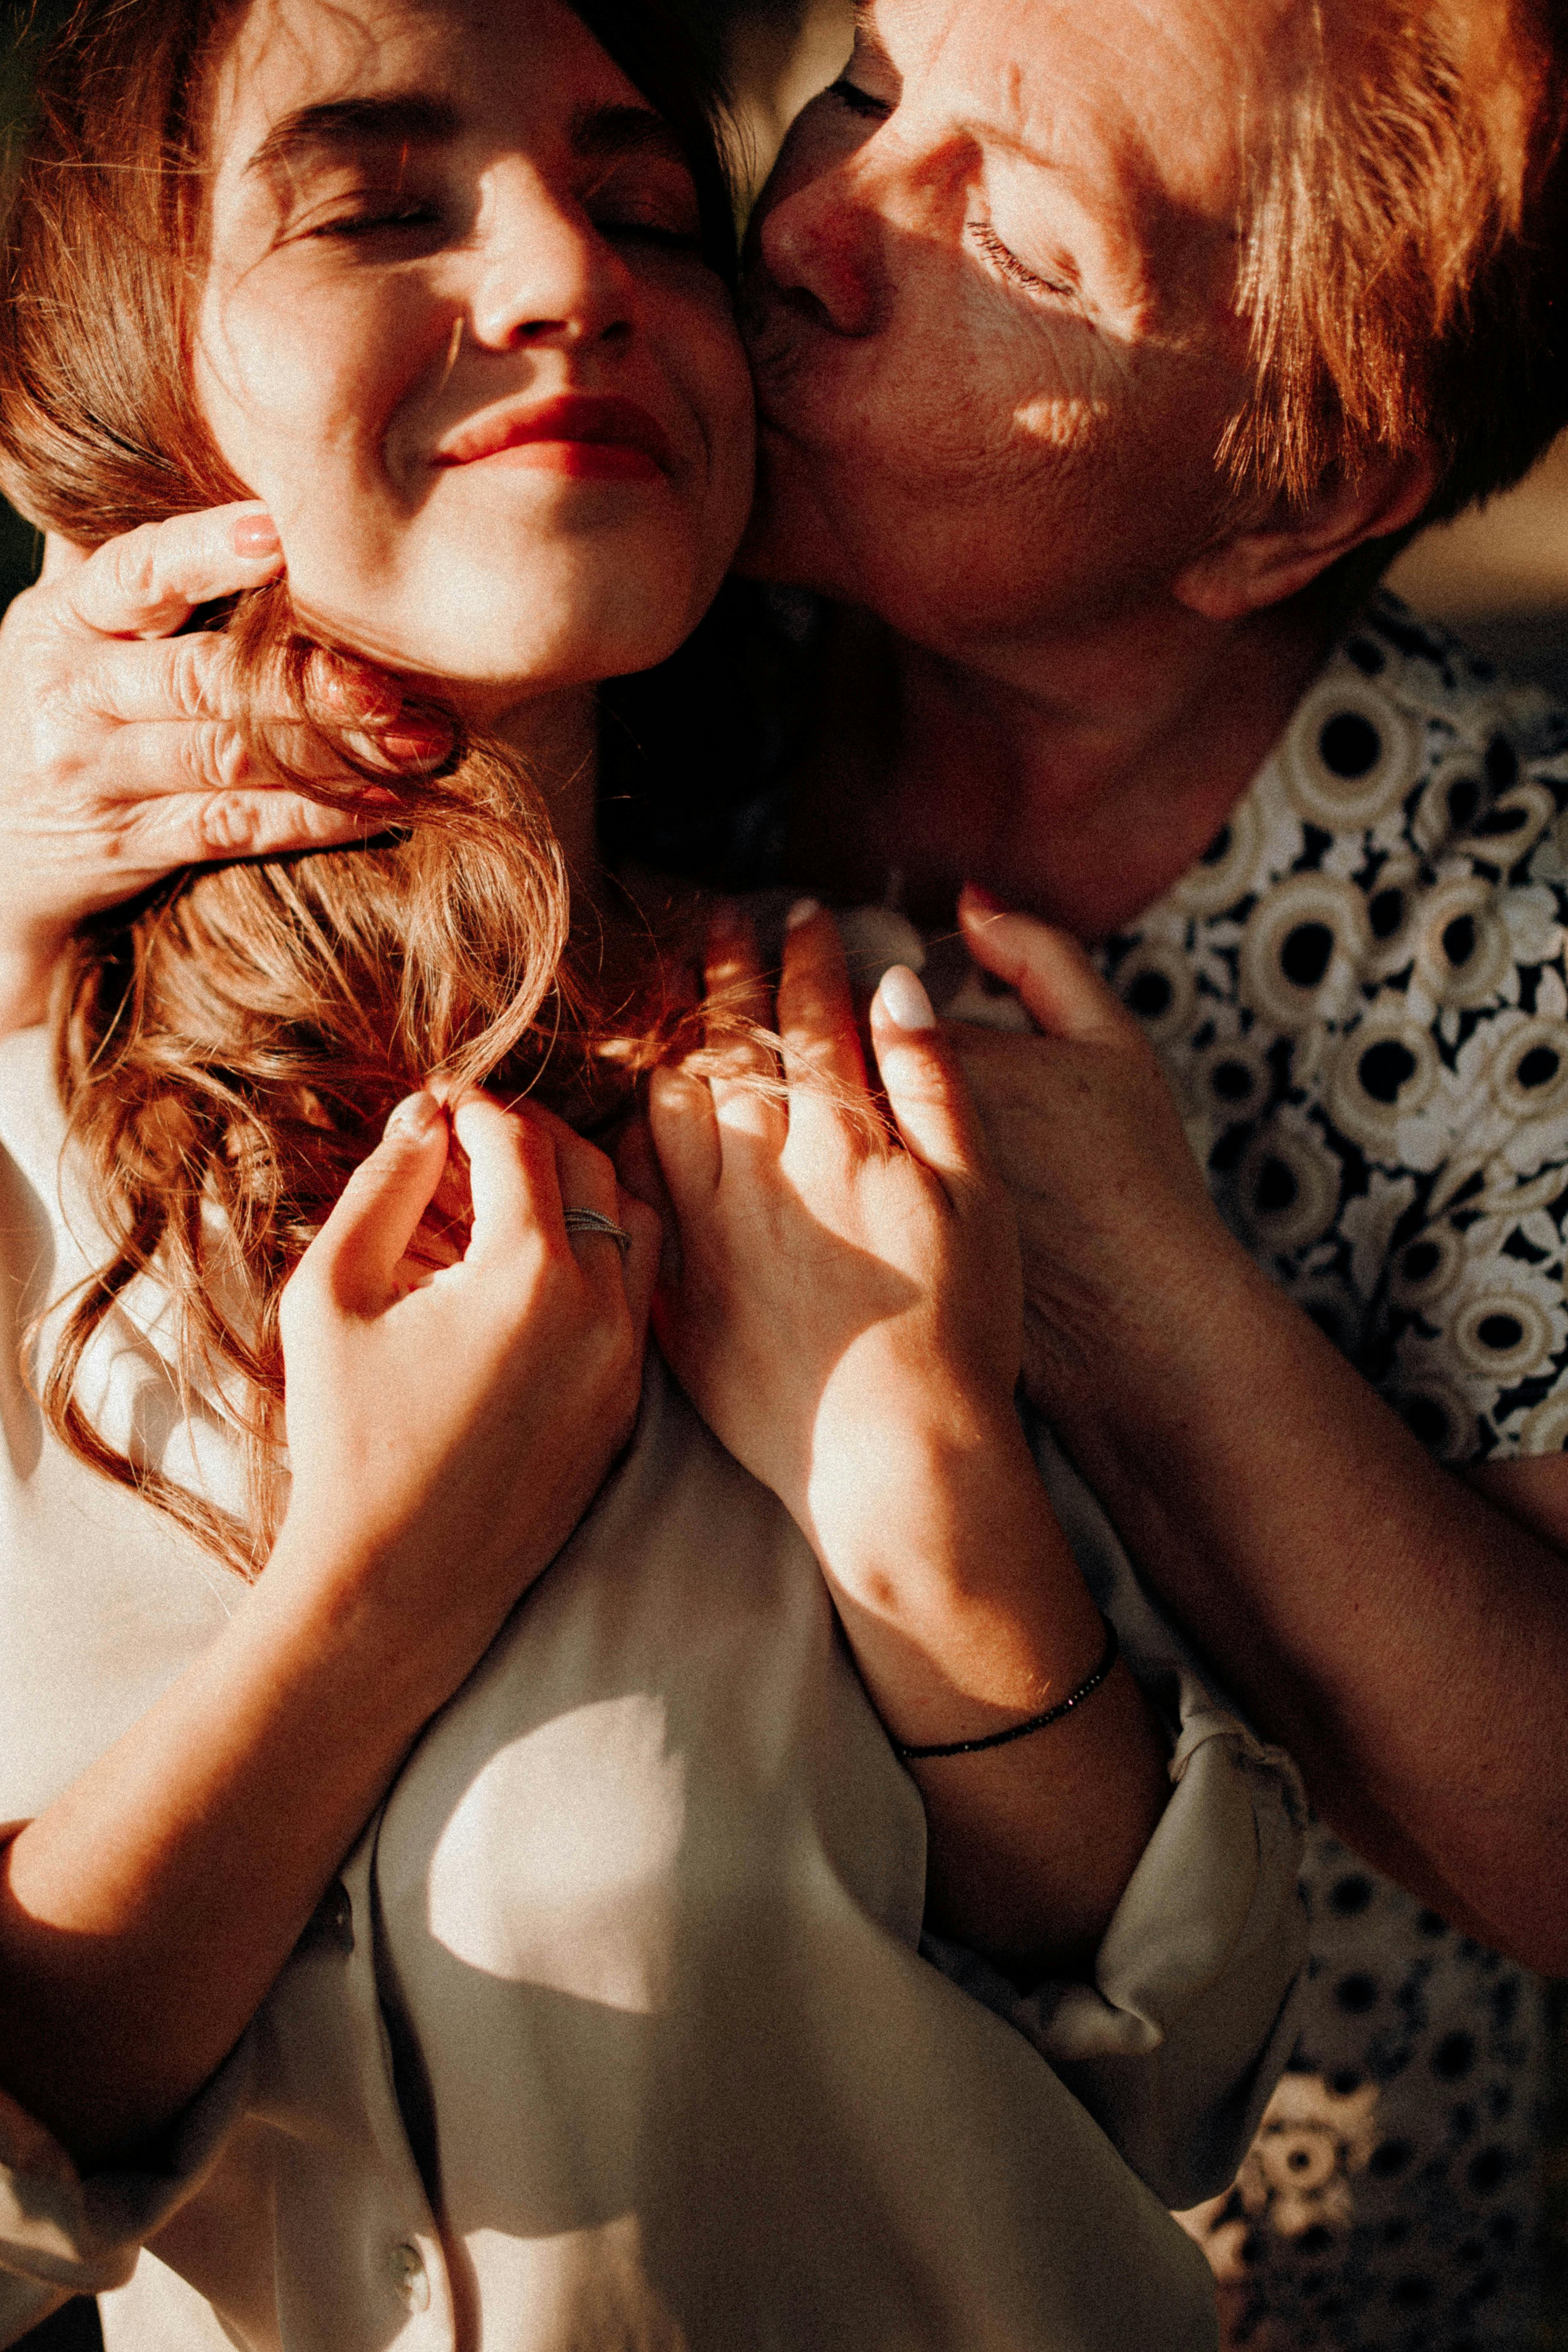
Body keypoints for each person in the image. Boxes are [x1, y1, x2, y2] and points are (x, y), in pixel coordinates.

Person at [7, 0, 1559, 2341]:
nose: (783, 240)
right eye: (853, 87)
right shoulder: (640, 624)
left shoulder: (1488, 943)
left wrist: (1101, 1344)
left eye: (1017, 230)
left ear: (1287, 488)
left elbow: (1281, 1970)